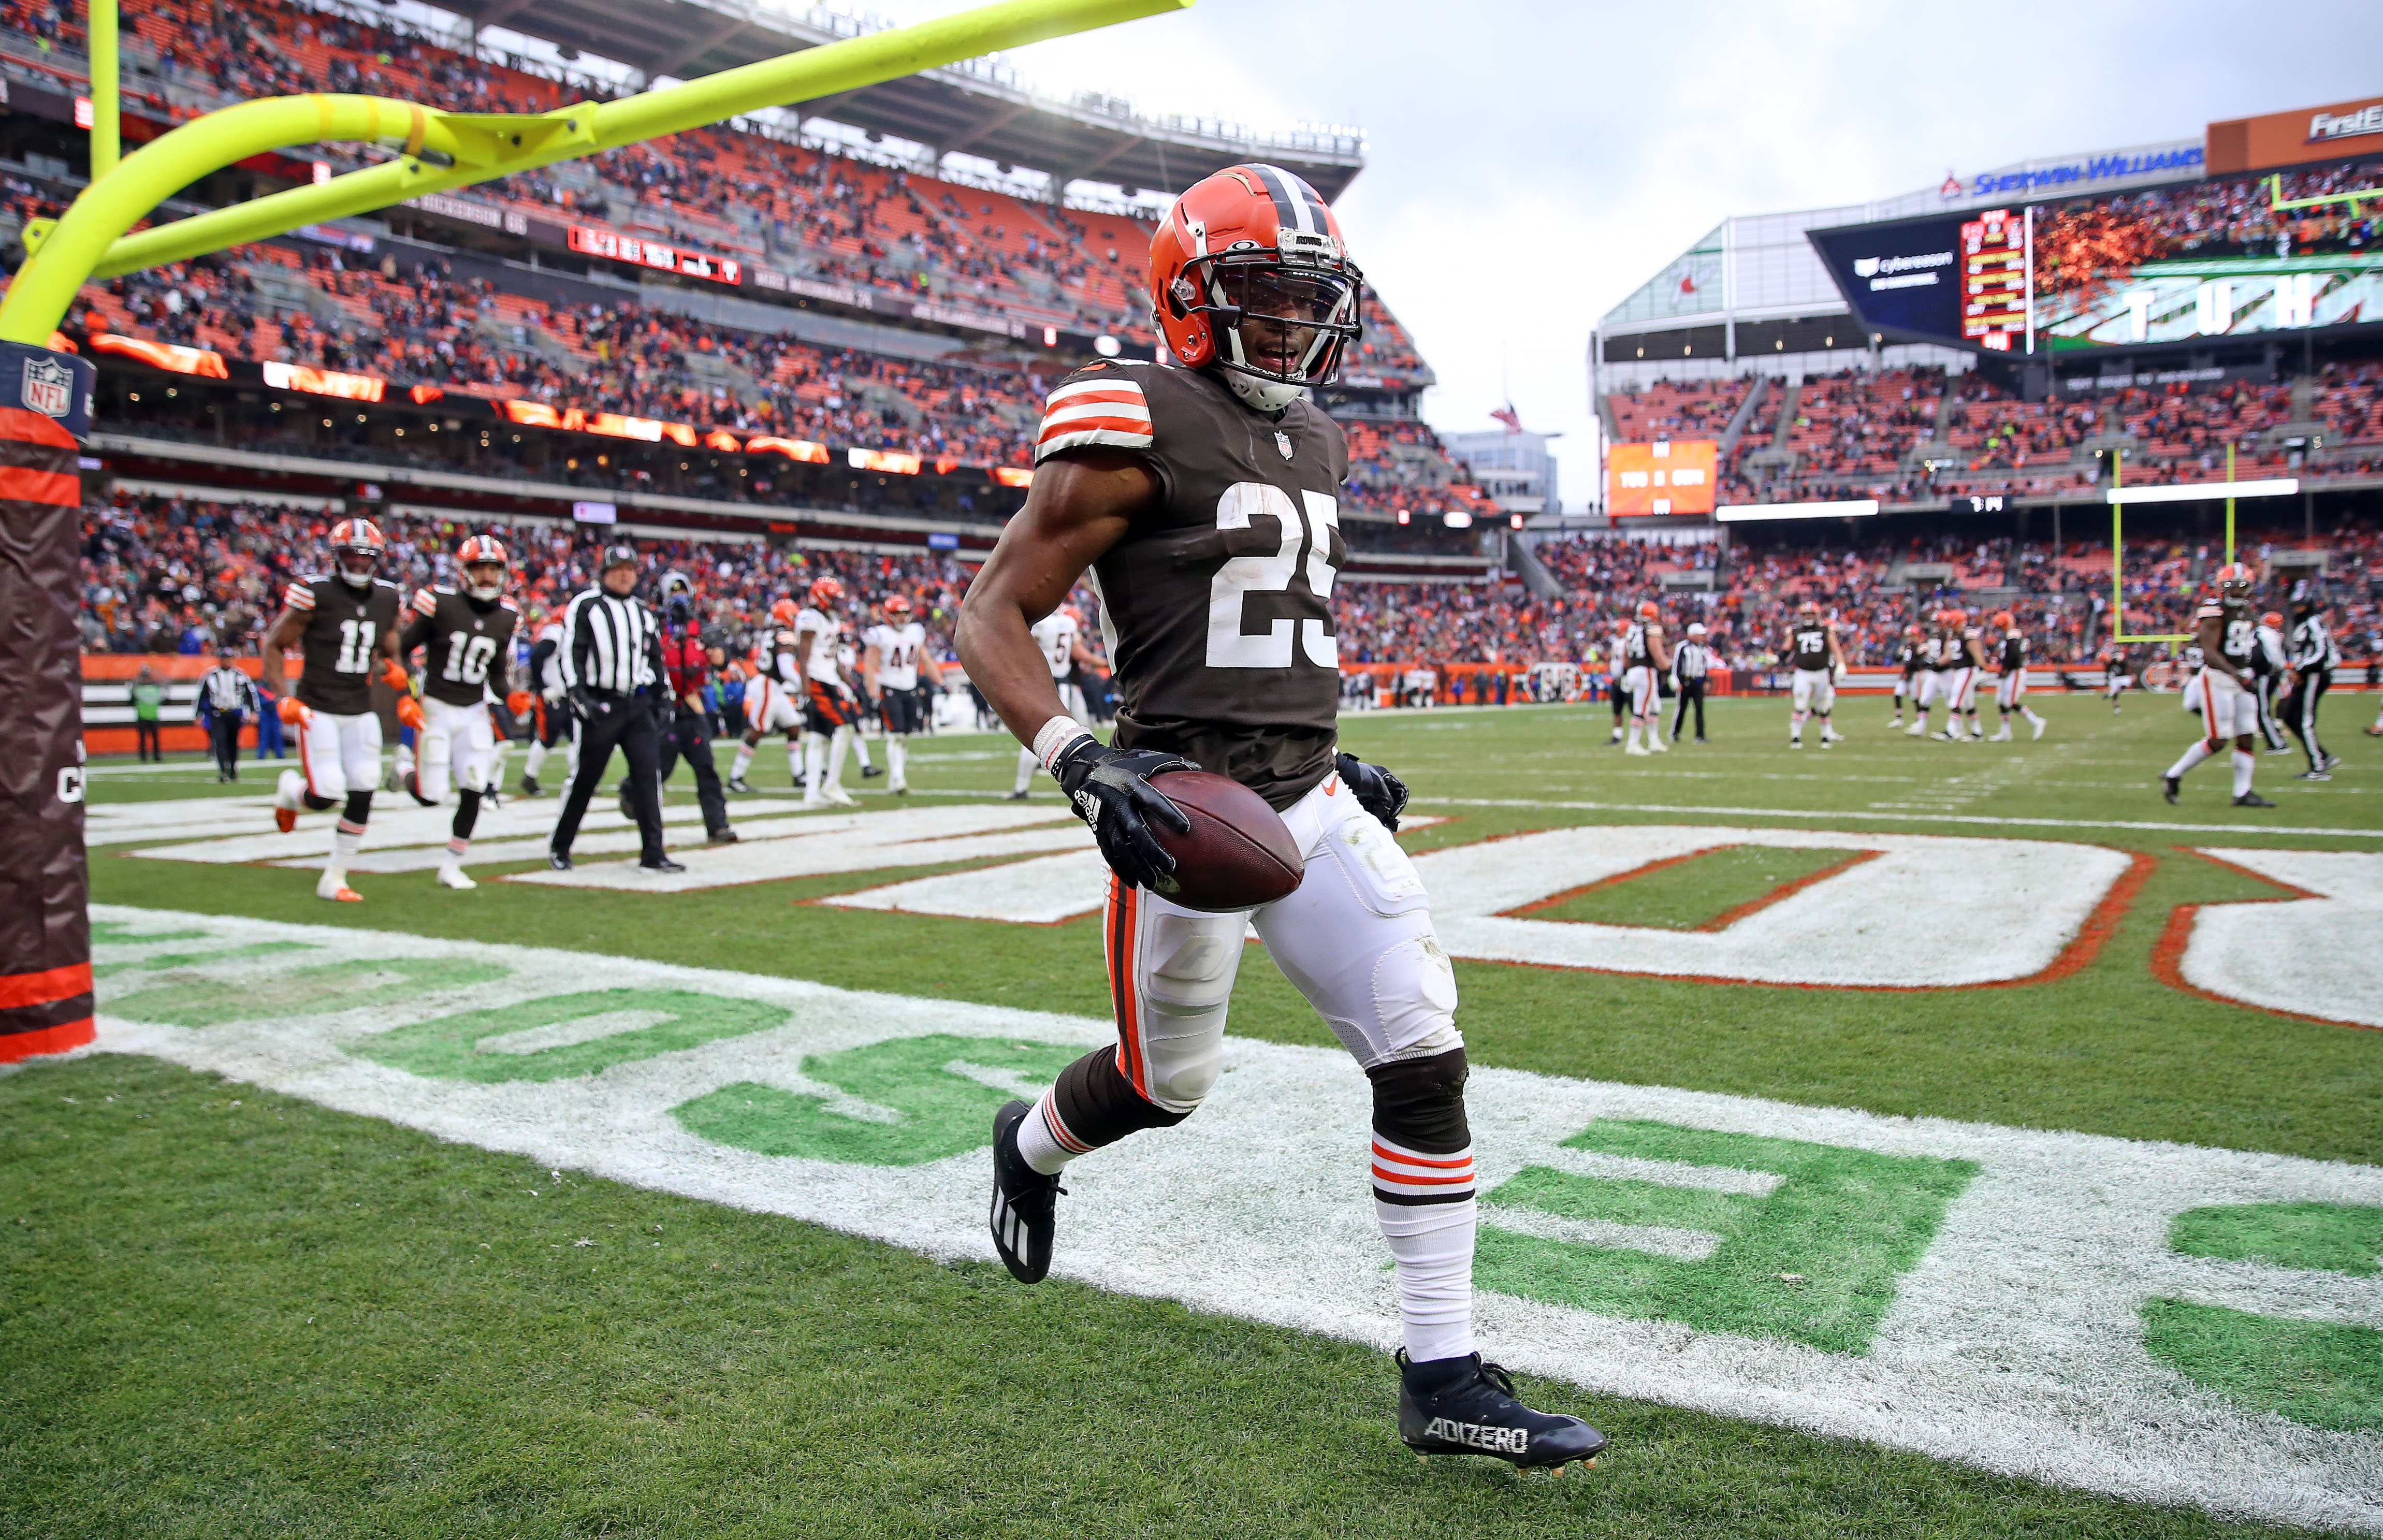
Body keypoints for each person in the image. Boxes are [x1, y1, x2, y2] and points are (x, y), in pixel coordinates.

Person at [956, 162, 1603, 1474]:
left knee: (1422, 1049)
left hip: (1302, 795)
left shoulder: (1320, 432)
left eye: (1309, 301)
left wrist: (1323, 746)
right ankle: (1027, 1143)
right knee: (1161, 1084)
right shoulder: (1130, 414)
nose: (1289, 326)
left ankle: (1442, 1371)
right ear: (1190, 302)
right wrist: (1080, 757)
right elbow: (987, 614)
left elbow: (1258, 623)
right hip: (1184, 811)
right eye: (1259, 297)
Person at [264, 518, 408, 902]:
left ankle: (335, 877)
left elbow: (388, 648)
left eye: (366, 558)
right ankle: (291, 791)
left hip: (360, 709)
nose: (359, 565)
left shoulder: (387, 597)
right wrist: (284, 698)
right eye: (351, 556)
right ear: (336, 557)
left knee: (364, 786)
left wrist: (394, 669)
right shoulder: (316, 593)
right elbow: (274, 645)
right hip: (318, 707)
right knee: (326, 793)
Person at [395, 534, 521, 890]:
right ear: (463, 571)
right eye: (478, 568)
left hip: (474, 709)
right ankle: (404, 767)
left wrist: (510, 697)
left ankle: (452, 864)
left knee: (475, 786)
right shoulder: (441, 603)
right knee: (430, 795)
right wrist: (406, 693)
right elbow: (401, 650)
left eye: (492, 568)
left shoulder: (507, 615)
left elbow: (496, 672)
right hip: (436, 705)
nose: (485, 576)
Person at [548, 544, 682, 873]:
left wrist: (664, 697)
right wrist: (578, 695)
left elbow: (655, 658)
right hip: (602, 703)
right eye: (618, 569)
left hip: (637, 705)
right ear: (604, 573)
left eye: (631, 569)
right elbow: (572, 653)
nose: (625, 575)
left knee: (648, 779)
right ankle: (560, 846)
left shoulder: (642, 612)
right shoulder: (586, 605)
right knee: (586, 780)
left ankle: (653, 852)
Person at [2161, 563, 2274, 808]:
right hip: (2219, 679)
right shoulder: (2213, 611)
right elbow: (2210, 653)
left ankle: (2242, 793)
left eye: (2242, 586)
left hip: (2240, 676)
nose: (2236, 591)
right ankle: (2173, 774)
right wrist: (2239, 677)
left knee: (2246, 735)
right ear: (2220, 588)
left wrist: (2248, 673)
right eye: (2231, 586)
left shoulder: (2247, 611)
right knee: (2219, 739)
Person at [644, 577, 736, 845]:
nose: (678, 597)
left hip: (692, 707)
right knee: (659, 768)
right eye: (673, 592)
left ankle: (718, 826)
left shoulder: (702, 628)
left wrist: (720, 657)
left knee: (706, 768)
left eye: (683, 591)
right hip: (664, 709)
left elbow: (720, 657)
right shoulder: (653, 628)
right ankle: (633, 797)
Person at [1007, 603, 1102, 797]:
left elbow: (1018, 644)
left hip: (1044, 684)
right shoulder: (1067, 623)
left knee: (1037, 737)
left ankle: (1021, 787)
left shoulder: (1044, 624)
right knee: (1070, 732)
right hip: (1062, 685)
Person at [863, 592, 945, 795]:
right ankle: (898, 778)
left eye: (905, 613)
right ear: (888, 615)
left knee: (905, 736)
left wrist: (939, 680)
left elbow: (924, 658)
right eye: (898, 614)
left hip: (910, 687)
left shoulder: (915, 632)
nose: (902, 618)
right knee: (896, 734)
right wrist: (873, 693)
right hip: (890, 688)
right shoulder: (880, 634)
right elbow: (870, 666)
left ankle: (896, 778)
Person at [794, 576, 865, 809]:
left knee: (819, 739)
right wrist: (805, 688)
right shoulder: (809, 618)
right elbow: (803, 657)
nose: (838, 603)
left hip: (828, 679)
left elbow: (834, 658)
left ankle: (812, 793)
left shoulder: (831, 619)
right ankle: (832, 783)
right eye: (833, 599)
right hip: (817, 681)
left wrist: (850, 684)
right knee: (844, 729)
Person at [729, 598, 805, 793]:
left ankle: (799, 775)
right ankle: (735, 777)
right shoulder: (784, 636)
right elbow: (786, 669)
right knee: (758, 730)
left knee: (793, 726)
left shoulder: (772, 633)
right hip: (767, 687)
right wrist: (803, 685)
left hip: (773, 687)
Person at [519, 604, 577, 796]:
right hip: (553, 695)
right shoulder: (556, 633)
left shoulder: (575, 635)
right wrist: (542, 687)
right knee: (548, 738)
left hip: (569, 696)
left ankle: (578, 778)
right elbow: (536, 657)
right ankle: (529, 777)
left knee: (577, 738)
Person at [2282, 598, 2341, 781]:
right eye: (2295, 606)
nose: (2297, 610)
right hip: (2306, 674)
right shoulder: (2304, 624)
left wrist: (2300, 670)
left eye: (2300, 606)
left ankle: (2318, 768)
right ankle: (2323, 756)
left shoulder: (2314, 622)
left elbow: (2320, 653)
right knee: (2290, 717)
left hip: (2314, 674)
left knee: (2305, 721)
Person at [1783, 600, 1844, 749]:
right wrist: (1778, 657)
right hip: (1803, 673)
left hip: (1821, 672)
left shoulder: (1826, 630)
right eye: (1806, 614)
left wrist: (1841, 664)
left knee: (1823, 706)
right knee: (1800, 704)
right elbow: (1786, 649)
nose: (1809, 617)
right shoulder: (1795, 631)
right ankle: (1796, 738)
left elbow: (1836, 648)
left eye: (1811, 614)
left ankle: (1825, 737)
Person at [1988, 609, 2048, 742]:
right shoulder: (2011, 635)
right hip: (2010, 671)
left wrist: (2006, 669)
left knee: (2010, 702)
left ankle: (2036, 722)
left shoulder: (2013, 635)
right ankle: (2005, 733)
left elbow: (2013, 655)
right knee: (2002, 703)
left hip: (2014, 672)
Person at [1620, 600, 1670, 756]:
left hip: (1634, 670)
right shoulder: (1652, 629)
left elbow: (1625, 654)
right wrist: (1669, 672)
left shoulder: (1632, 629)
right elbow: (1657, 653)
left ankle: (1654, 741)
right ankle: (1633, 744)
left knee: (1654, 707)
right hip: (1645, 671)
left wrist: (1625, 672)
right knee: (1641, 710)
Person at [196, 653, 256, 781]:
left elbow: (250, 694)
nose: (227, 661)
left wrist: (253, 711)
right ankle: (223, 770)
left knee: (233, 742)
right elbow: (202, 696)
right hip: (218, 713)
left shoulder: (240, 675)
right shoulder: (211, 675)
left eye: (229, 659)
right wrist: (198, 714)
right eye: (225, 659)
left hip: (234, 712)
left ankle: (233, 768)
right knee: (220, 741)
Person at [1931, 607, 1986, 743]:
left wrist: (1982, 669)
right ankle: (1977, 733)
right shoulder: (1954, 636)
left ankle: (1951, 732)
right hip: (1959, 671)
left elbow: (1977, 653)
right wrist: (1934, 664)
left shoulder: (1968, 634)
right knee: (1968, 704)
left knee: (1956, 699)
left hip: (1967, 670)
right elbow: (1949, 655)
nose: (1949, 625)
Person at [1669, 620, 1711, 743]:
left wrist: (1706, 680)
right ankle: (1675, 733)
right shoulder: (1683, 647)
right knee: (1682, 708)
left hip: (1697, 682)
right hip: (1685, 682)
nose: (1702, 637)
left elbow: (1704, 666)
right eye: (1700, 635)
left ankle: (1700, 735)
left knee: (1699, 709)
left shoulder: (1703, 648)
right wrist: (1677, 681)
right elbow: (1677, 665)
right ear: (1693, 635)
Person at [1888, 623, 1922, 728]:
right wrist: (1899, 653)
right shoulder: (1906, 647)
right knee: (1898, 694)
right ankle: (1899, 719)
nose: (1909, 639)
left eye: (1911, 636)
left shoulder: (1920, 646)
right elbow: (1897, 658)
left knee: (1916, 698)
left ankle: (1919, 719)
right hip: (1906, 673)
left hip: (1916, 674)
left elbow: (1920, 662)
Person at [129, 665, 164, 762]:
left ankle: (156, 757)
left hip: (152, 716)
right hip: (144, 716)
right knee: (144, 740)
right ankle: (145, 757)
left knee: (154, 740)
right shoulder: (152, 689)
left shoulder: (139, 690)